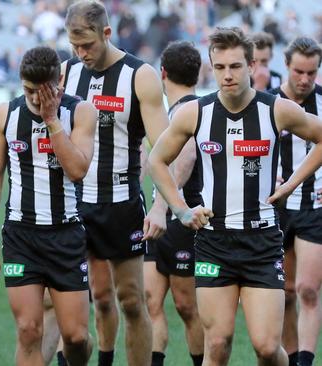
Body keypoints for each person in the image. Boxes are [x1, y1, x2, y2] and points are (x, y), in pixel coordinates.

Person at [148, 26, 322, 366]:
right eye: (220, 67)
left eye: (236, 66)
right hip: (214, 243)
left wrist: (292, 184)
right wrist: (181, 210)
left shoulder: (277, 109)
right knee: (217, 344)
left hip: (262, 242)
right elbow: (157, 160)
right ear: (211, 68)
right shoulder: (195, 112)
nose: (227, 75)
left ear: (252, 65)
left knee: (268, 347)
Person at [61, 2, 170, 365]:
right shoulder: (66, 73)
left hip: (121, 203)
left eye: (88, 45)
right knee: (84, 298)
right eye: (75, 46)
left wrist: (161, 203)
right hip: (73, 203)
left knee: (131, 300)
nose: (82, 54)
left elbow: (164, 148)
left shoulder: (140, 75)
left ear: (107, 33)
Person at [0, 45, 97, 366]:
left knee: (75, 338)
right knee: (28, 329)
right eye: (28, 90)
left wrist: (51, 121)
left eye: (42, 90)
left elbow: (77, 169)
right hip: (20, 236)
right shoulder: (6, 113)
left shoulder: (81, 112)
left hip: (66, 236)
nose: (34, 98)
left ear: (59, 79)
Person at [142, 41, 204, 366]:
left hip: (184, 219)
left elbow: (187, 156)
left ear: (163, 73)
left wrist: (163, 206)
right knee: (151, 300)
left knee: (186, 306)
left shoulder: (189, 112)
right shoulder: (168, 113)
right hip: (160, 219)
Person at [269, 36, 322, 366]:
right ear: (286, 66)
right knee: (286, 293)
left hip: (315, 206)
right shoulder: (269, 104)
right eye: (299, 71)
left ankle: (305, 361)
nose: (304, 80)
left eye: (312, 73)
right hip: (276, 208)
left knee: (307, 289)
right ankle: (291, 359)